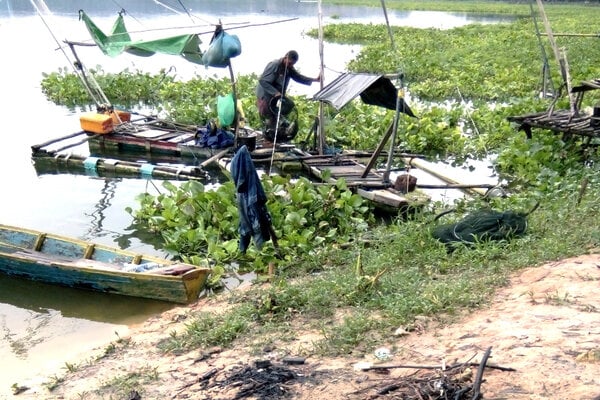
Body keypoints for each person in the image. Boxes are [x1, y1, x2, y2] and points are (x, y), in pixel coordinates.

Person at [255, 50, 321, 141]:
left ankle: (274, 137)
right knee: (269, 115)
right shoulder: (274, 65)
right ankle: (268, 138)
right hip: (265, 95)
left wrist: (315, 80)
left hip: (277, 96)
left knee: (276, 115)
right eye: (289, 63)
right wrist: (275, 92)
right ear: (285, 58)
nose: (290, 66)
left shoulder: (289, 67)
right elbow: (263, 81)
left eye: (292, 64)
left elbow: (298, 77)